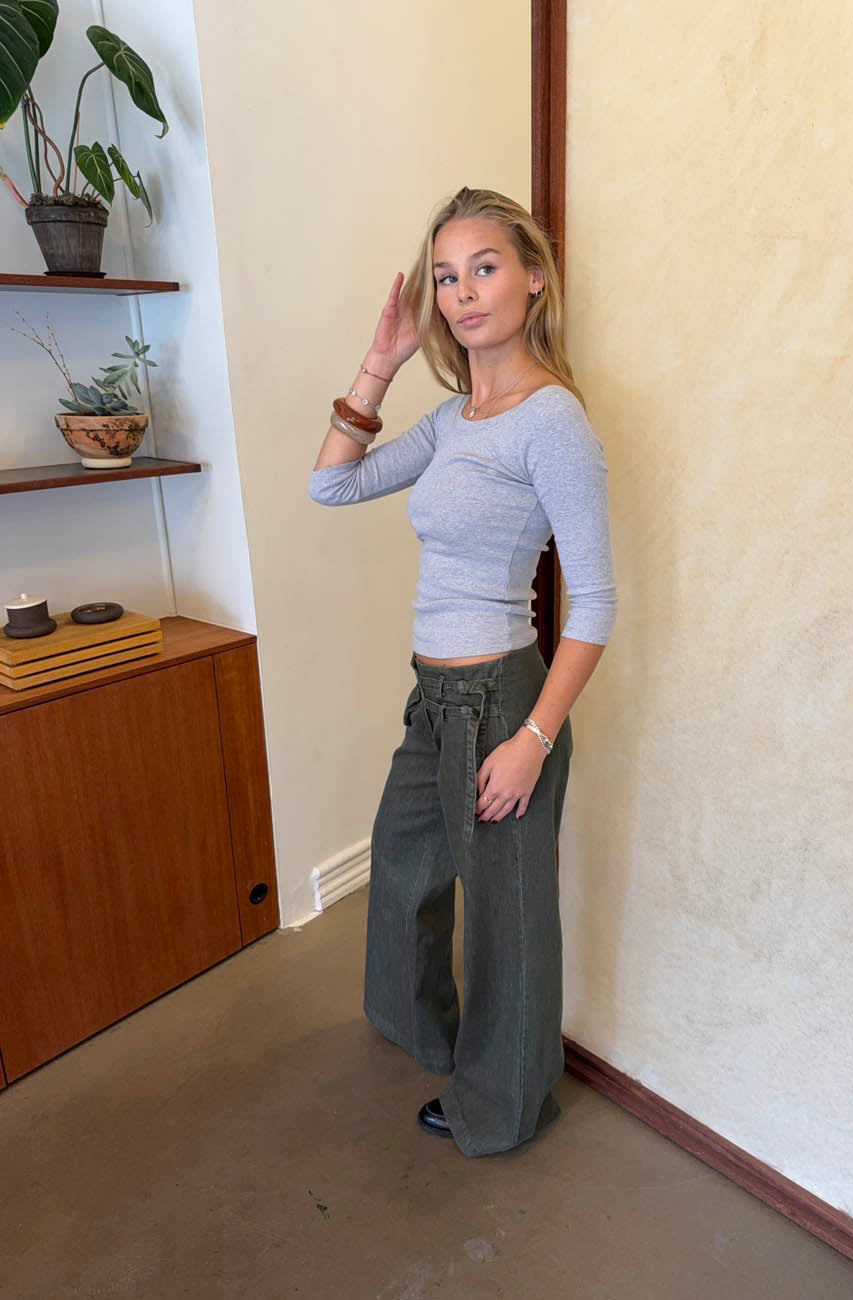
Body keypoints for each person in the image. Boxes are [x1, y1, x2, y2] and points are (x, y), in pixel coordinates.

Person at [308, 186, 618, 1157]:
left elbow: (594, 603)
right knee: (402, 863)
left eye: (484, 268)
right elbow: (332, 482)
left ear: (533, 278)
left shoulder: (551, 421)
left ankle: (502, 1103)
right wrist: (381, 363)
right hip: (434, 697)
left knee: (505, 919)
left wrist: (534, 739)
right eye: (446, 277)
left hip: (500, 698)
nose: (463, 292)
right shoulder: (453, 419)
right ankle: (430, 1034)